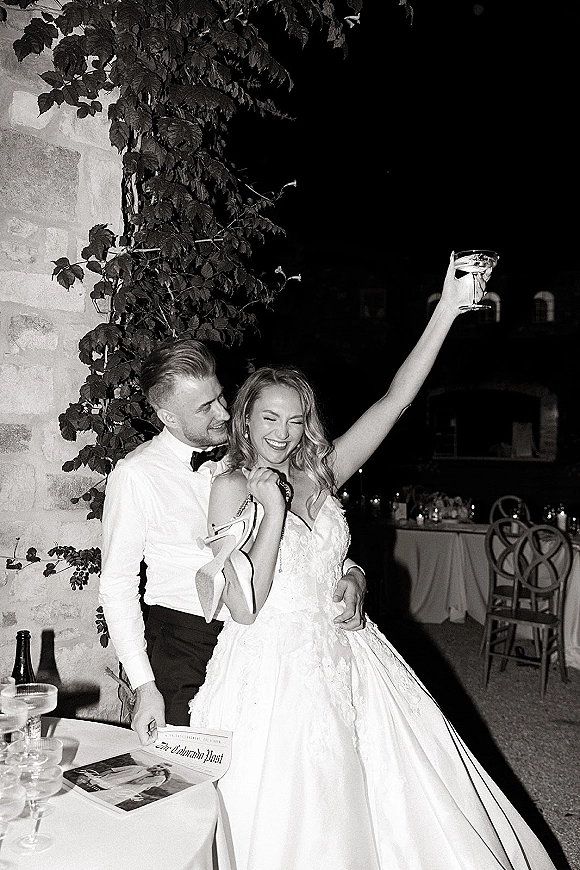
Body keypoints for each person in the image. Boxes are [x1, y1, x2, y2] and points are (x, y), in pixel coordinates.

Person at [188, 255, 556, 869]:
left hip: (345, 650)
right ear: (245, 419)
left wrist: (445, 311)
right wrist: (274, 513)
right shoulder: (230, 487)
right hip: (274, 666)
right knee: (297, 806)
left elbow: (395, 398)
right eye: (269, 418)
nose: (281, 432)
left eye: (295, 420)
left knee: (396, 792)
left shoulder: (321, 472)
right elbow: (246, 610)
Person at [99, 339, 366, 742]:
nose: (223, 412)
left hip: (258, 642)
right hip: (185, 641)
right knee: (186, 779)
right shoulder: (136, 476)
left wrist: (352, 570)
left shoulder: (247, 450)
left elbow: (299, 539)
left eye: (220, 398)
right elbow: (117, 587)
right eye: (205, 408)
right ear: (167, 416)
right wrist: (144, 685)